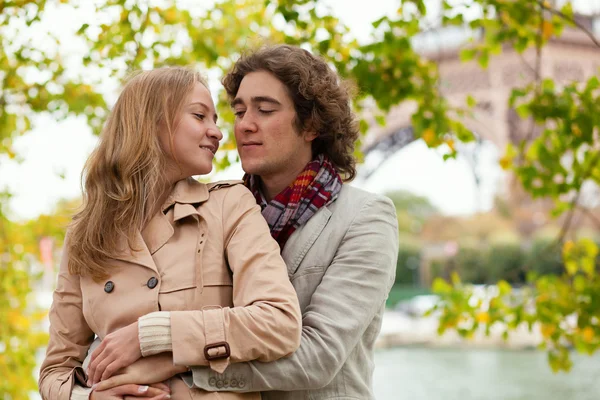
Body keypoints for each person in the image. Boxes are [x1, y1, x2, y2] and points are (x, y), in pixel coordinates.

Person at [94, 44, 399, 399]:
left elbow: (320, 355)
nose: (244, 126)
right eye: (238, 112)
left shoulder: (365, 217)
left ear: (312, 124)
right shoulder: (212, 210)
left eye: (265, 110)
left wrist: (182, 365)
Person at [38, 66, 303, 400]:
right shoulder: (85, 233)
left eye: (216, 120)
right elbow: (55, 370)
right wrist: (89, 398)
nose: (218, 133)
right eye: (199, 116)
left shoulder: (228, 205)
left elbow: (279, 323)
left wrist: (152, 335)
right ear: (151, 122)